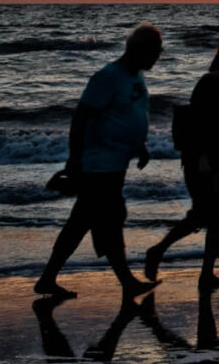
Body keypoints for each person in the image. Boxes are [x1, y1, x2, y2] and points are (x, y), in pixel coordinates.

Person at [35, 23, 163, 302]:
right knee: (110, 219)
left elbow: (131, 112)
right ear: (139, 50)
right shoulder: (108, 76)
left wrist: (139, 145)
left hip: (116, 163)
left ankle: (47, 279)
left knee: (82, 222)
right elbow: (81, 117)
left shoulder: (135, 75)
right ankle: (127, 282)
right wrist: (74, 159)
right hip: (98, 164)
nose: (159, 56)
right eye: (155, 51)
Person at [146, 36, 219, 288]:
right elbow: (196, 122)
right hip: (201, 157)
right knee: (202, 214)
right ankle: (158, 251)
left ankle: (207, 274)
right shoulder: (209, 82)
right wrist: (202, 157)